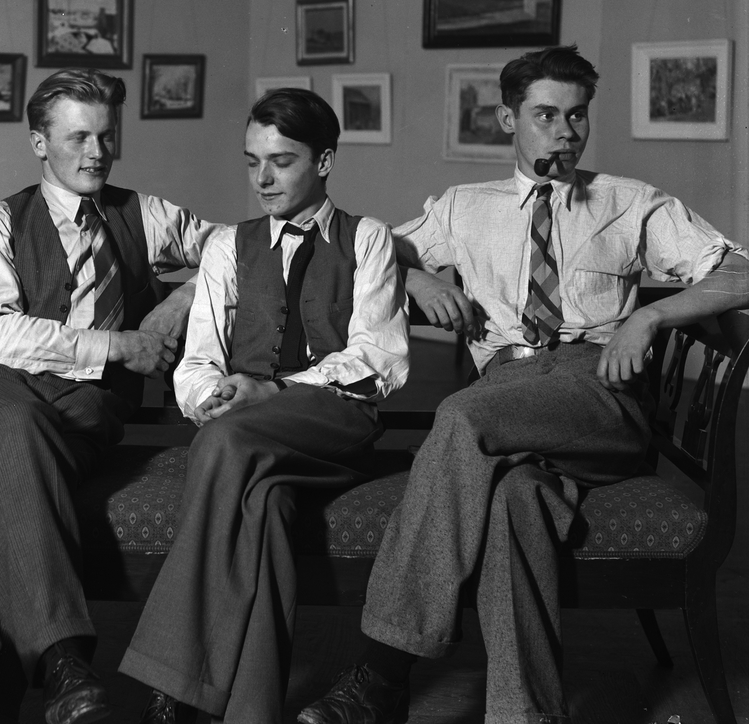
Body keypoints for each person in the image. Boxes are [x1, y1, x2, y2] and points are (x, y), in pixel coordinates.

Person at [298, 45, 749, 724]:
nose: (565, 133)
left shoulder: (630, 202)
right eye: (546, 116)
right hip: (509, 390)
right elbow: (361, 253)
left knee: (460, 419)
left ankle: (383, 673)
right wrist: (416, 275)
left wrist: (649, 317)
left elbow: (740, 271)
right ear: (509, 119)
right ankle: (526, 713)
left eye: (577, 116)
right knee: (516, 498)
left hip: (596, 390)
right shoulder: (463, 207)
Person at [119, 88, 410, 724]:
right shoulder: (228, 245)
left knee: (223, 442)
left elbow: (379, 360)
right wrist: (210, 398)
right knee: (264, 507)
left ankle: (171, 687)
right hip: (248, 434)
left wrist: (272, 391)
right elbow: (199, 357)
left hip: (334, 420)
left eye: (281, 161)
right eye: (253, 162)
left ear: (324, 161)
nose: (263, 179)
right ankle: (251, 711)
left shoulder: (368, 239)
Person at [0, 68, 221, 724]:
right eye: (78, 138)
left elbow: (240, 248)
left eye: (105, 136)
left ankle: (48, 669)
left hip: (84, 405)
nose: (97, 153)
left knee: (8, 452)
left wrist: (184, 295)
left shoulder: (146, 214)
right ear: (39, 143)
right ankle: (64, 667)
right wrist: (118, 345)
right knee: (14, 425)